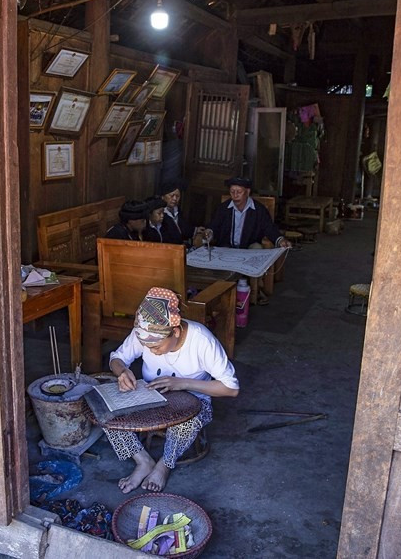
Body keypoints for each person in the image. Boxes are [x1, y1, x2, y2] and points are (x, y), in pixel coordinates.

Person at [106, 287, 239, 493]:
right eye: (146, 346)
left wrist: (184, 384)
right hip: (149, 395)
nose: (150, 350)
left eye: (156, 346)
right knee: (105, 413)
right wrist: (122, 371)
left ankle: (164, 465)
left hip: (195, 403)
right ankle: (143, 461)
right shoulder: (145, 330)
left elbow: (231, 388)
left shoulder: (201, 341)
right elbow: (116, 358)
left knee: (186, 424)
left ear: (175, 332)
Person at [203, 177, 291, 250]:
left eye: (239, 192)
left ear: (247, 192)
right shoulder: (223, 208)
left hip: (249, 247)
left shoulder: (259, 210)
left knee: (257, 248)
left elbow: (269, 228)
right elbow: (213, 225)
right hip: (226, 247)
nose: (235, 195)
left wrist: (280, 240)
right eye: (232, 191)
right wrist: (209, 232)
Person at [158, 179, 195, 245]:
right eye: (171, 195)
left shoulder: (177, 210)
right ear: (163, 197)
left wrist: (196, 231)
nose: (175, 199)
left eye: (177, 196)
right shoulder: (160, 214)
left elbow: (184, 228)